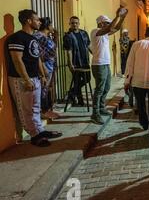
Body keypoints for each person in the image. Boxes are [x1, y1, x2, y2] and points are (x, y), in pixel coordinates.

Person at [6, 10, 62, 147]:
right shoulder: (16, 38)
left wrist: (42, 75)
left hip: (35, 77)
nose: (39, 22)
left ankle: (40, 130)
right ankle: (34, 135)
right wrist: (26, 79)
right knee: (25, 109)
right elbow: (17, 60)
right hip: (21, 79)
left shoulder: (32, 38)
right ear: (28, 21)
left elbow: (37, 58)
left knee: (35, 107)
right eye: (37, 20)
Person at [90, 7, 128, 125]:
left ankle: (101, 108)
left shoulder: (105, 34)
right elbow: (109, 28)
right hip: (98, 65)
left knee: (106, 88)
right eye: (106, 23)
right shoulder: (95, 31)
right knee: (99, 89)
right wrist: (117, 16)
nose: (108, 25)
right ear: (100, 23)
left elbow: (115, 28)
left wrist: (122, 18)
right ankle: (95, 114)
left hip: (106, 64)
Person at [34, 17, 59, 120]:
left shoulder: (46, 37)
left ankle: (46, 110)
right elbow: (38, 55)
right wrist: (43, 70)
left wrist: (55, 38)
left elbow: (51, 51)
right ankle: (43, 112)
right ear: (48, 26)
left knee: (46, 89)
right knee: (43, 90)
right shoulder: (39, 37)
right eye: (51, 25)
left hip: (49, 66)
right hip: (44, 68)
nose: (52, 27)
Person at [63, 16, 91, 106]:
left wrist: (95, 55)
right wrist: (70, 64)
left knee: (88, 79)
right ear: (70, 24)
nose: (74, 24)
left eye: (76, 23)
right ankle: (80, 101)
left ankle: (71, 92)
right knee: (77, 81)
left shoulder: (84, 33)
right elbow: (69, 51)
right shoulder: (67, 36)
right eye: (72, 23)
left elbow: (89, 46)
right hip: (75, 62)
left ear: (79, 24)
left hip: (85, 61)